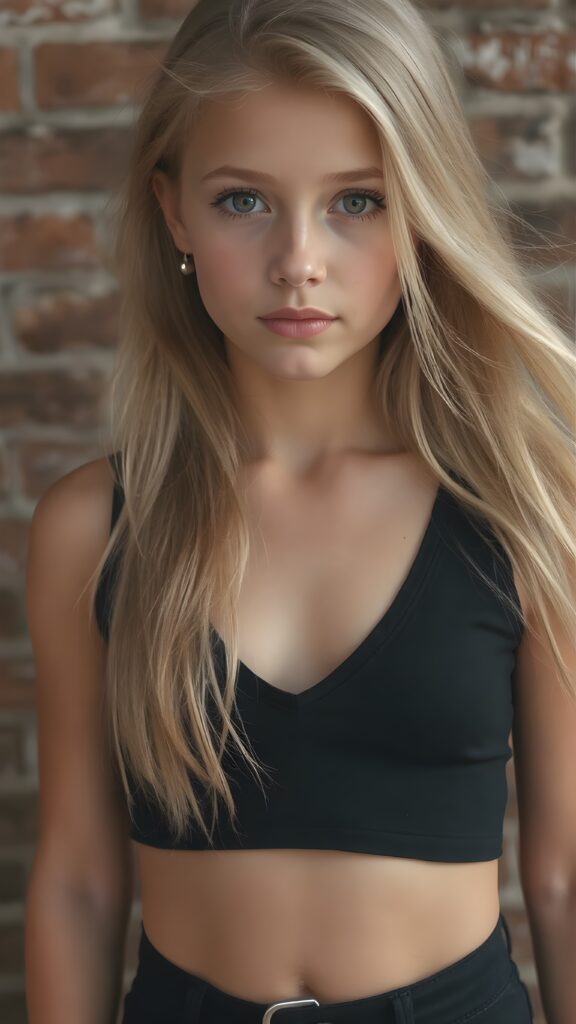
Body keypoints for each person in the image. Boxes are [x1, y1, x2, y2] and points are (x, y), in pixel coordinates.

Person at [24, 1, 576, 1022]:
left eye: (357, 202)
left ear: (422, 211)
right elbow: (77, 881)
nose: (299, 260)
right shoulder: (93, 529)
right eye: (244, 202)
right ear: (174, 211)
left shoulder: (526, 515)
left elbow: (564, 877)